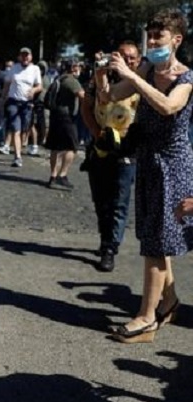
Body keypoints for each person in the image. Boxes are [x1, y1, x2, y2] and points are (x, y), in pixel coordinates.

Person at [100, 9, 193, 343]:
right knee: (154, 237)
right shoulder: (147, 69)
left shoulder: (187, 77)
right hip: (149, 162)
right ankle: (168, 302)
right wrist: (104, 77)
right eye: (150, 36)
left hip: (174, 166)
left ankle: (146, 319)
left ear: (176, 40)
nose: (152, 42)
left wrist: (135, 75)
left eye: (159, 37)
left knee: (156, 242)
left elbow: (168, 106)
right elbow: (113, 96)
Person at [80, 41, 141, 272]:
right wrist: (96, 133)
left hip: (127, 150)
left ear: (138, 60)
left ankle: (110, 248)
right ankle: (105, 237)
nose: (127, 61)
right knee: (101, 200)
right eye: (123, 56)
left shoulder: (141, 82)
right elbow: (86, 106)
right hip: (100, 147)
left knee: (118, 201)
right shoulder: (101, 79)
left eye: (132, 58)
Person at [45, 61, 85, 189]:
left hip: (55, 114)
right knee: (72, 146)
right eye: (78, 67)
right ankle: (62, 175)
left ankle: (53, 176)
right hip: (67, 117)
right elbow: (82, 95)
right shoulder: (71, 80)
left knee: (55, 147)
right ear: (73, 69)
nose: (79, 69)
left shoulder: (59, 78)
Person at [0, 47, 43, 167]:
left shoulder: (35, 69)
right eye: (23, 55)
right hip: (13, 102)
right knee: (15, 129)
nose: (25, 57)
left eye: (27, 55)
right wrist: (3, 99)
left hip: (27, 104)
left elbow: (40, 86)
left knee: (24, 129)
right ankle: (17, 157)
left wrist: (34, 90)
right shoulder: (14, 68)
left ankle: (22, 147)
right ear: (20, 57)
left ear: (31, 57)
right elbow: (7, 84)